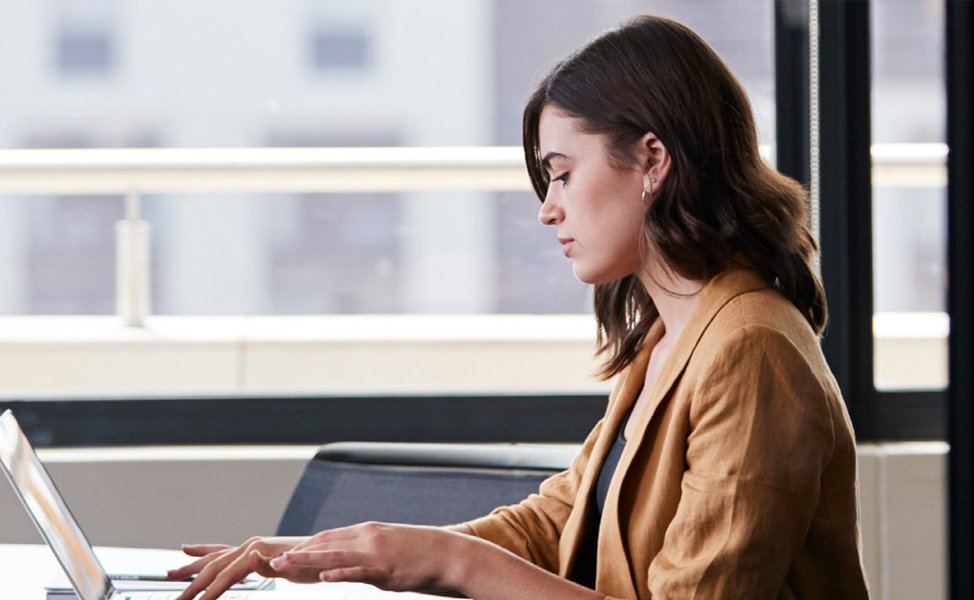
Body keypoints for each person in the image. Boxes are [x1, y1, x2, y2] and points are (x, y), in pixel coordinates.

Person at [169, 15, 870, 600]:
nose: (548, 209)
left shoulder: (751, 350)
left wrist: (454, 561)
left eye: (562, 174)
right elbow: (555, 523)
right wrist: (344, 552)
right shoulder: (672, 335)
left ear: (653, 160)